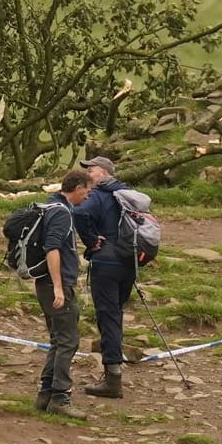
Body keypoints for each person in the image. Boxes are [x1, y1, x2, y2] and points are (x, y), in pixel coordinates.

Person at [69, 155, 141, 399]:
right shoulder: (128, 193)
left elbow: (79, 214)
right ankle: (113, 361)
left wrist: (91, 241)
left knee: (108, 315)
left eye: (91, 170)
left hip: (106, 262)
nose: (88, 174)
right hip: (129, 261)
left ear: (103, 172)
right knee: (116, 311)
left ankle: (113, 379)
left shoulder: (98, 195)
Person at [33, 171, 89, 419]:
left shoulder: (49, 206)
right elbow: (52, 248)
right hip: (56, 285)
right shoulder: (61, 212)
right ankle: (60, 398)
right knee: (68, 340)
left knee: (58, 339)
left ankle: (45, 394)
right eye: (86, 191)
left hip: (45, 284)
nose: (87, 196)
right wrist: (58, 286)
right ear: (77, 187)